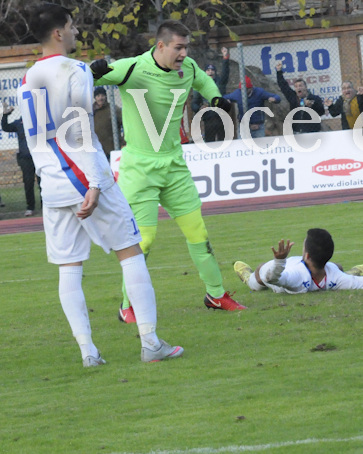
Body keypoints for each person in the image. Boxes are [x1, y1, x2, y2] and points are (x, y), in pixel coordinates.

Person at [21, 3, 183, 366]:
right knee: (130, 251)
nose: (76, 31)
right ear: (58, 33)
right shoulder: (75, 69)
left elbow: (37, 136)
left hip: (52, 184)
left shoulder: (27, 78)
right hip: (83, 176)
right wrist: (95, 183)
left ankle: (88, 352)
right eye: (72, 26)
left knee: (69, 267)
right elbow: (79, 129)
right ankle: (150, 342)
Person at [91, 20, 247, 320]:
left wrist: (215, 98)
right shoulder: (133, 68)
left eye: (186, 47)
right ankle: (127, 306)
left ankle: (216, 295)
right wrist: (95, 71)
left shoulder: (187, 67)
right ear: (160, 46)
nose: (184, 53)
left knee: (198, 232)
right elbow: (95, 76)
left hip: (175, 166)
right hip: (140, 168)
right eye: (179, 47)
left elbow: (203, 81)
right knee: (144, 240)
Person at [234, 228, 363, 295]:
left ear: (306, 256)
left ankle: (351, 273)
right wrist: (279, 263)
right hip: (282, 270)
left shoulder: (321, 274)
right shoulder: (299, 275)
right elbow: (274, 278)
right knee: (261, 276)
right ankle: (248, 277)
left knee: (338, 269)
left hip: (287, 267)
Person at [1, 105, 39, 216]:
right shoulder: (19, 123)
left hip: (39, 156)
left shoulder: (38, 121)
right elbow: (5, 127)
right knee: (28, 183)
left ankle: (46, 205)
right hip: (25, 158)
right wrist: (5, 115)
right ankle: (30, 207)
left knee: (43, 181)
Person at [191, 47, 232, 143]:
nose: (210, 72)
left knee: (223, 141)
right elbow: (194, 103)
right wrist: (199, 108)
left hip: (221, 117)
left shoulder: (220, 83)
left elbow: (225, 73)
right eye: (208, 70)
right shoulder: (200, 86)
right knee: (210, 142)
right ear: (205, 73)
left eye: (212, 70)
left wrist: (225, 58)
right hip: (208, 118)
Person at [275, 63, 326, 134]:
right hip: (297, 131)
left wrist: (312, 106)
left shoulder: (315, 98)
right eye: (296, 86)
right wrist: (279, 71)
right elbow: (283, 85)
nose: (298, 88)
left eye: (300, 86)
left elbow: (321, 112)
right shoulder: (293, 97)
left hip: (313, 132)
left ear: (306, 87)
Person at [93, 87, 123, 159]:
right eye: (98, 96)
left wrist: (124, 142)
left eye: (102, 95)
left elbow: (126, 124)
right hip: (98, 149)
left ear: (106, 96)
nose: (100, 98)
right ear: (95, 98)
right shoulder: (92, 111)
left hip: (113, 148)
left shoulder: (114, 109)